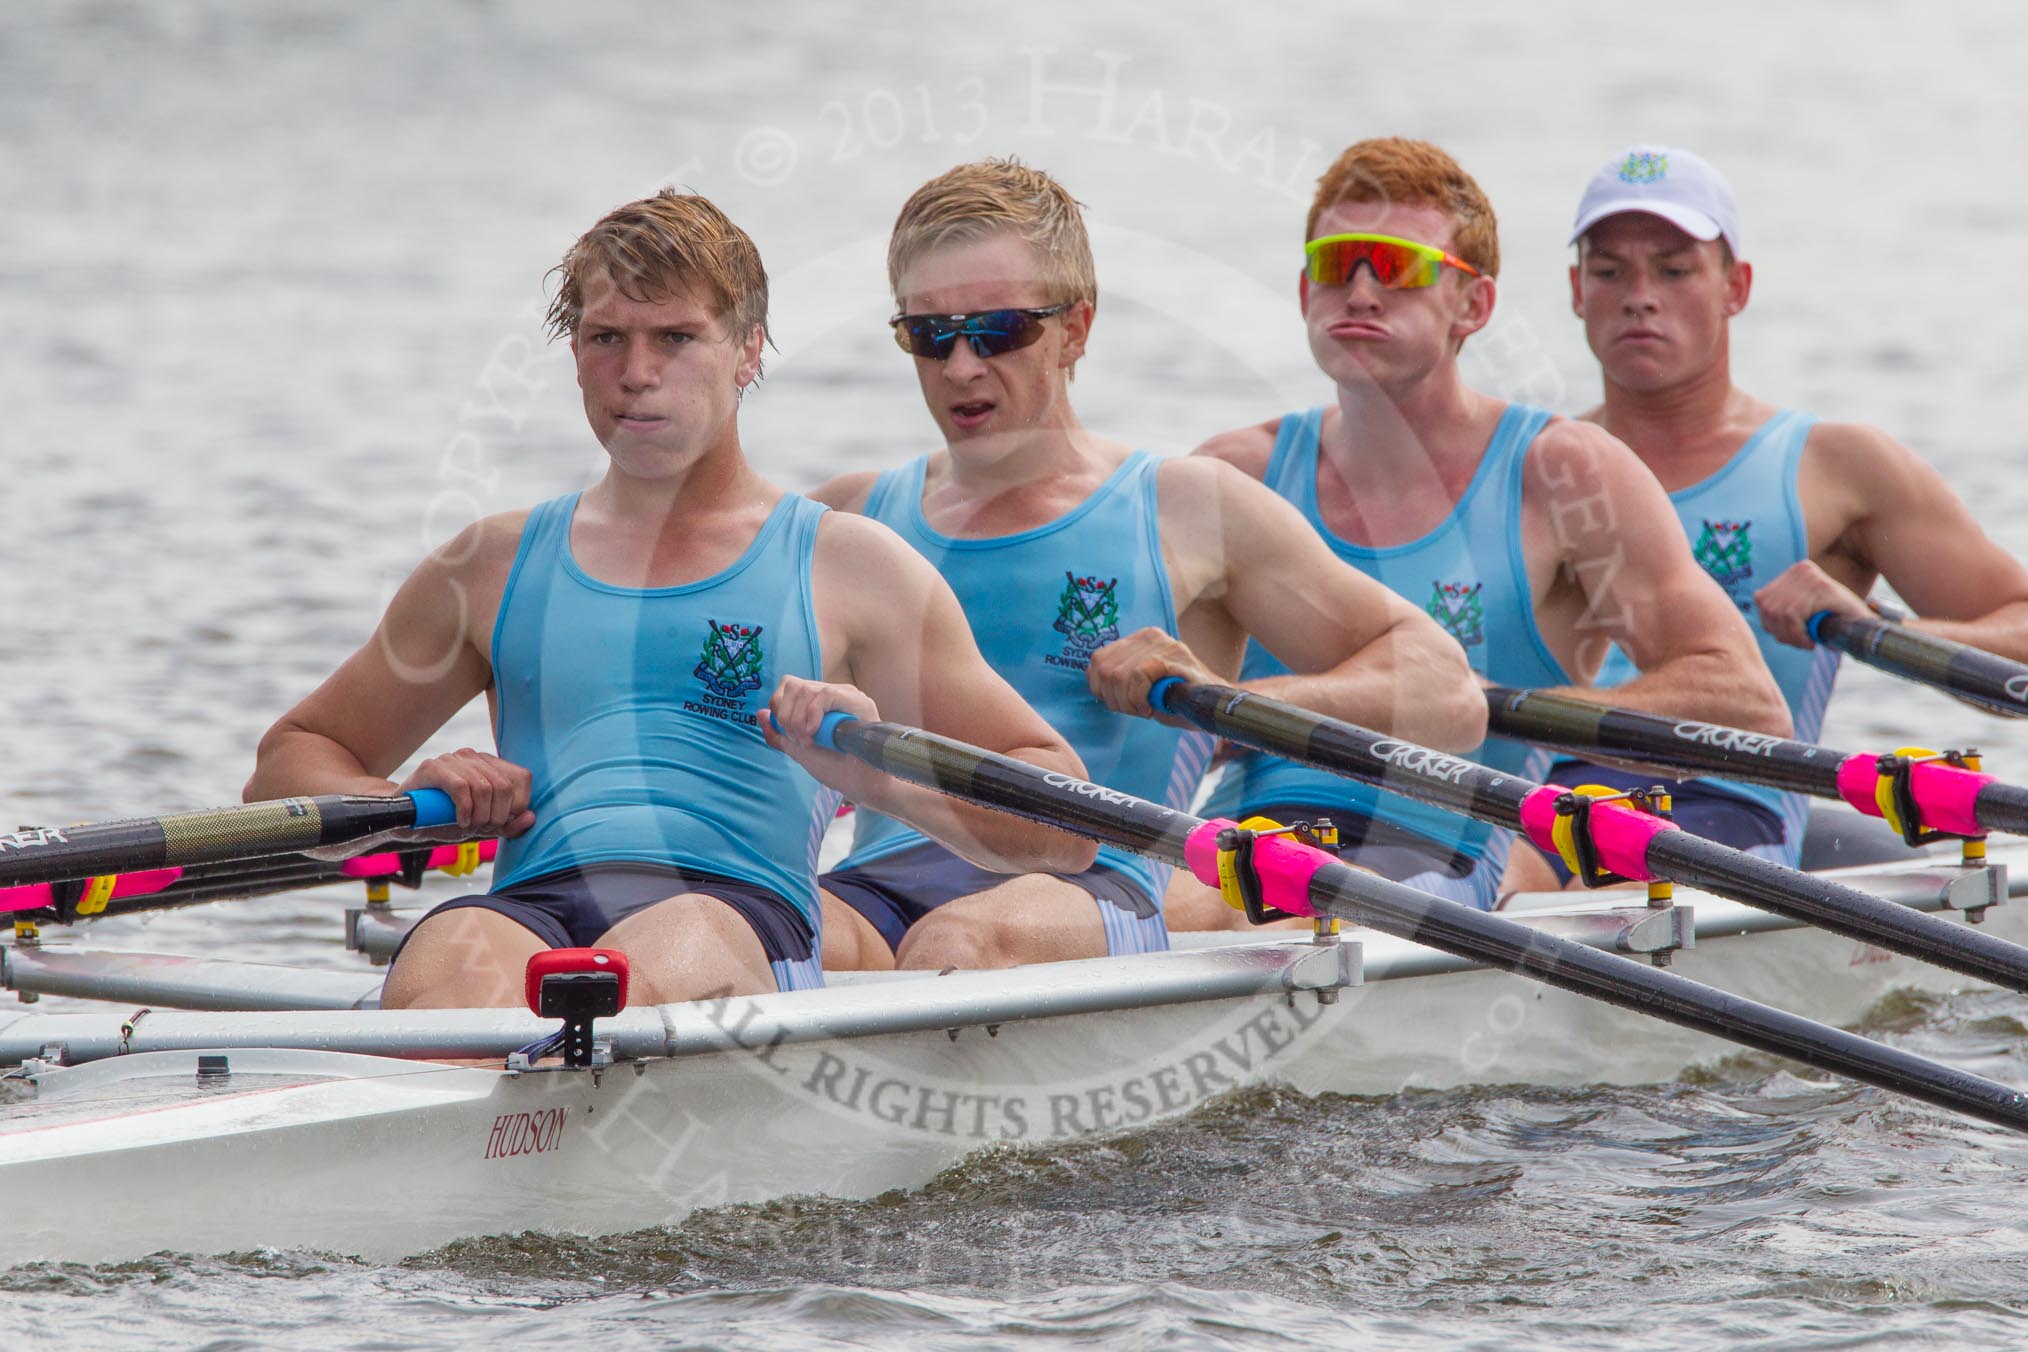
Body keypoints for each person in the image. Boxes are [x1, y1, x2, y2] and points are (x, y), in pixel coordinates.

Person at [244, 189, 1094, 1009]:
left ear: (748, 351)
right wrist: (399, 806)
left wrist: (879, 778)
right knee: (446, 974)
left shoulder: (850, 567)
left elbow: (1067, 816)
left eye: (677, 338)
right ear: (575, 353)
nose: (637, 374)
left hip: (734, 915)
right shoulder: (487, 566)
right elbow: (290, 760)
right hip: (525, 905)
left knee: (654, 955)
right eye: (607, 337)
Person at [811, 158, 1486, 971]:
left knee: (957, 941)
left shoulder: (1187, 507)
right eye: (930, 335)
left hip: (1105, 879)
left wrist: (1225, 700)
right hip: (883, 878)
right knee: (722, 927)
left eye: (999, 331)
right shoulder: (849, 521)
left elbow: (1447, 692)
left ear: (1076, 330)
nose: (960, 367)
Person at [1174, 137, 1787, 915]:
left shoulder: (1562, 475)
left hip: (1452, 850)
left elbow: (1744, 696)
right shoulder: (1233, 476)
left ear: (1475, 305)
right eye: (1337, 264)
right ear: (1304, 293)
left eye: (1394, 266)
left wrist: (1494, 702)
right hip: (1242, 843)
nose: (1361, 292)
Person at [1541, 144, 2028, 872]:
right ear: (1578, 290)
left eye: (1674, 270)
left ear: (1735, 286)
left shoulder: (1839, 468)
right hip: (1543, 804)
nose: (1640, 295)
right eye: (1610, 271)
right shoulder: (1535, 472)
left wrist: (1883, 628)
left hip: (1728, 812)